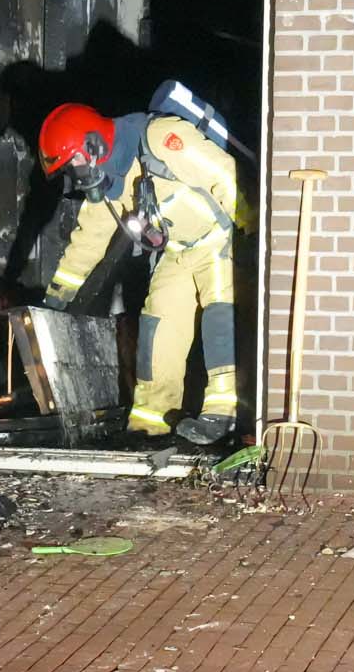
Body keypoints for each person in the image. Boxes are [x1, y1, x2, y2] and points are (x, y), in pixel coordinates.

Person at [38, 97, 254, 446]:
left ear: (93, 144)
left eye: (73, 162)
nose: (75, 175)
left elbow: (224, 175)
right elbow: (89, 239)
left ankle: (221, 413)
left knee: (219, 315)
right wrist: (57, 296)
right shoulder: (110, 183)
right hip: (178, 252)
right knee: (157, 327)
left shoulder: (161, 138)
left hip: (218, 239)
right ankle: (151, 422)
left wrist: (253, 227)